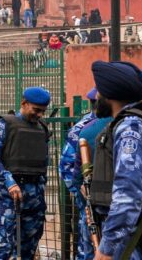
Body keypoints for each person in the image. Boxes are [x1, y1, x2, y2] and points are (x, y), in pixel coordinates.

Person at [87, 60, 142, 260]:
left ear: (110, 94)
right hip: (128, 237)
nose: (96, 96)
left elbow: (128, 195)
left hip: (130, 241)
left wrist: (107, 249)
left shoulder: (130, 128)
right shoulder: (127, 124)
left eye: (99, 91)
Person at [0, 87, 51, 260]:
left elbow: (43, 161)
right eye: (36, 110)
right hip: (8, 195)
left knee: (29, 247)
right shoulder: (4, 123)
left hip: (34, 197)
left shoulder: (42, 127)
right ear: (24, 103)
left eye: (43, 111)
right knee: (4, 247)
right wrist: (9, 181)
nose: (39, 115)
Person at [58, 88, 103, 260]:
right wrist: (80, 193)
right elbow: (66, 165)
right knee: (88, 247)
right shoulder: (82, 128)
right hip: (89, 200)